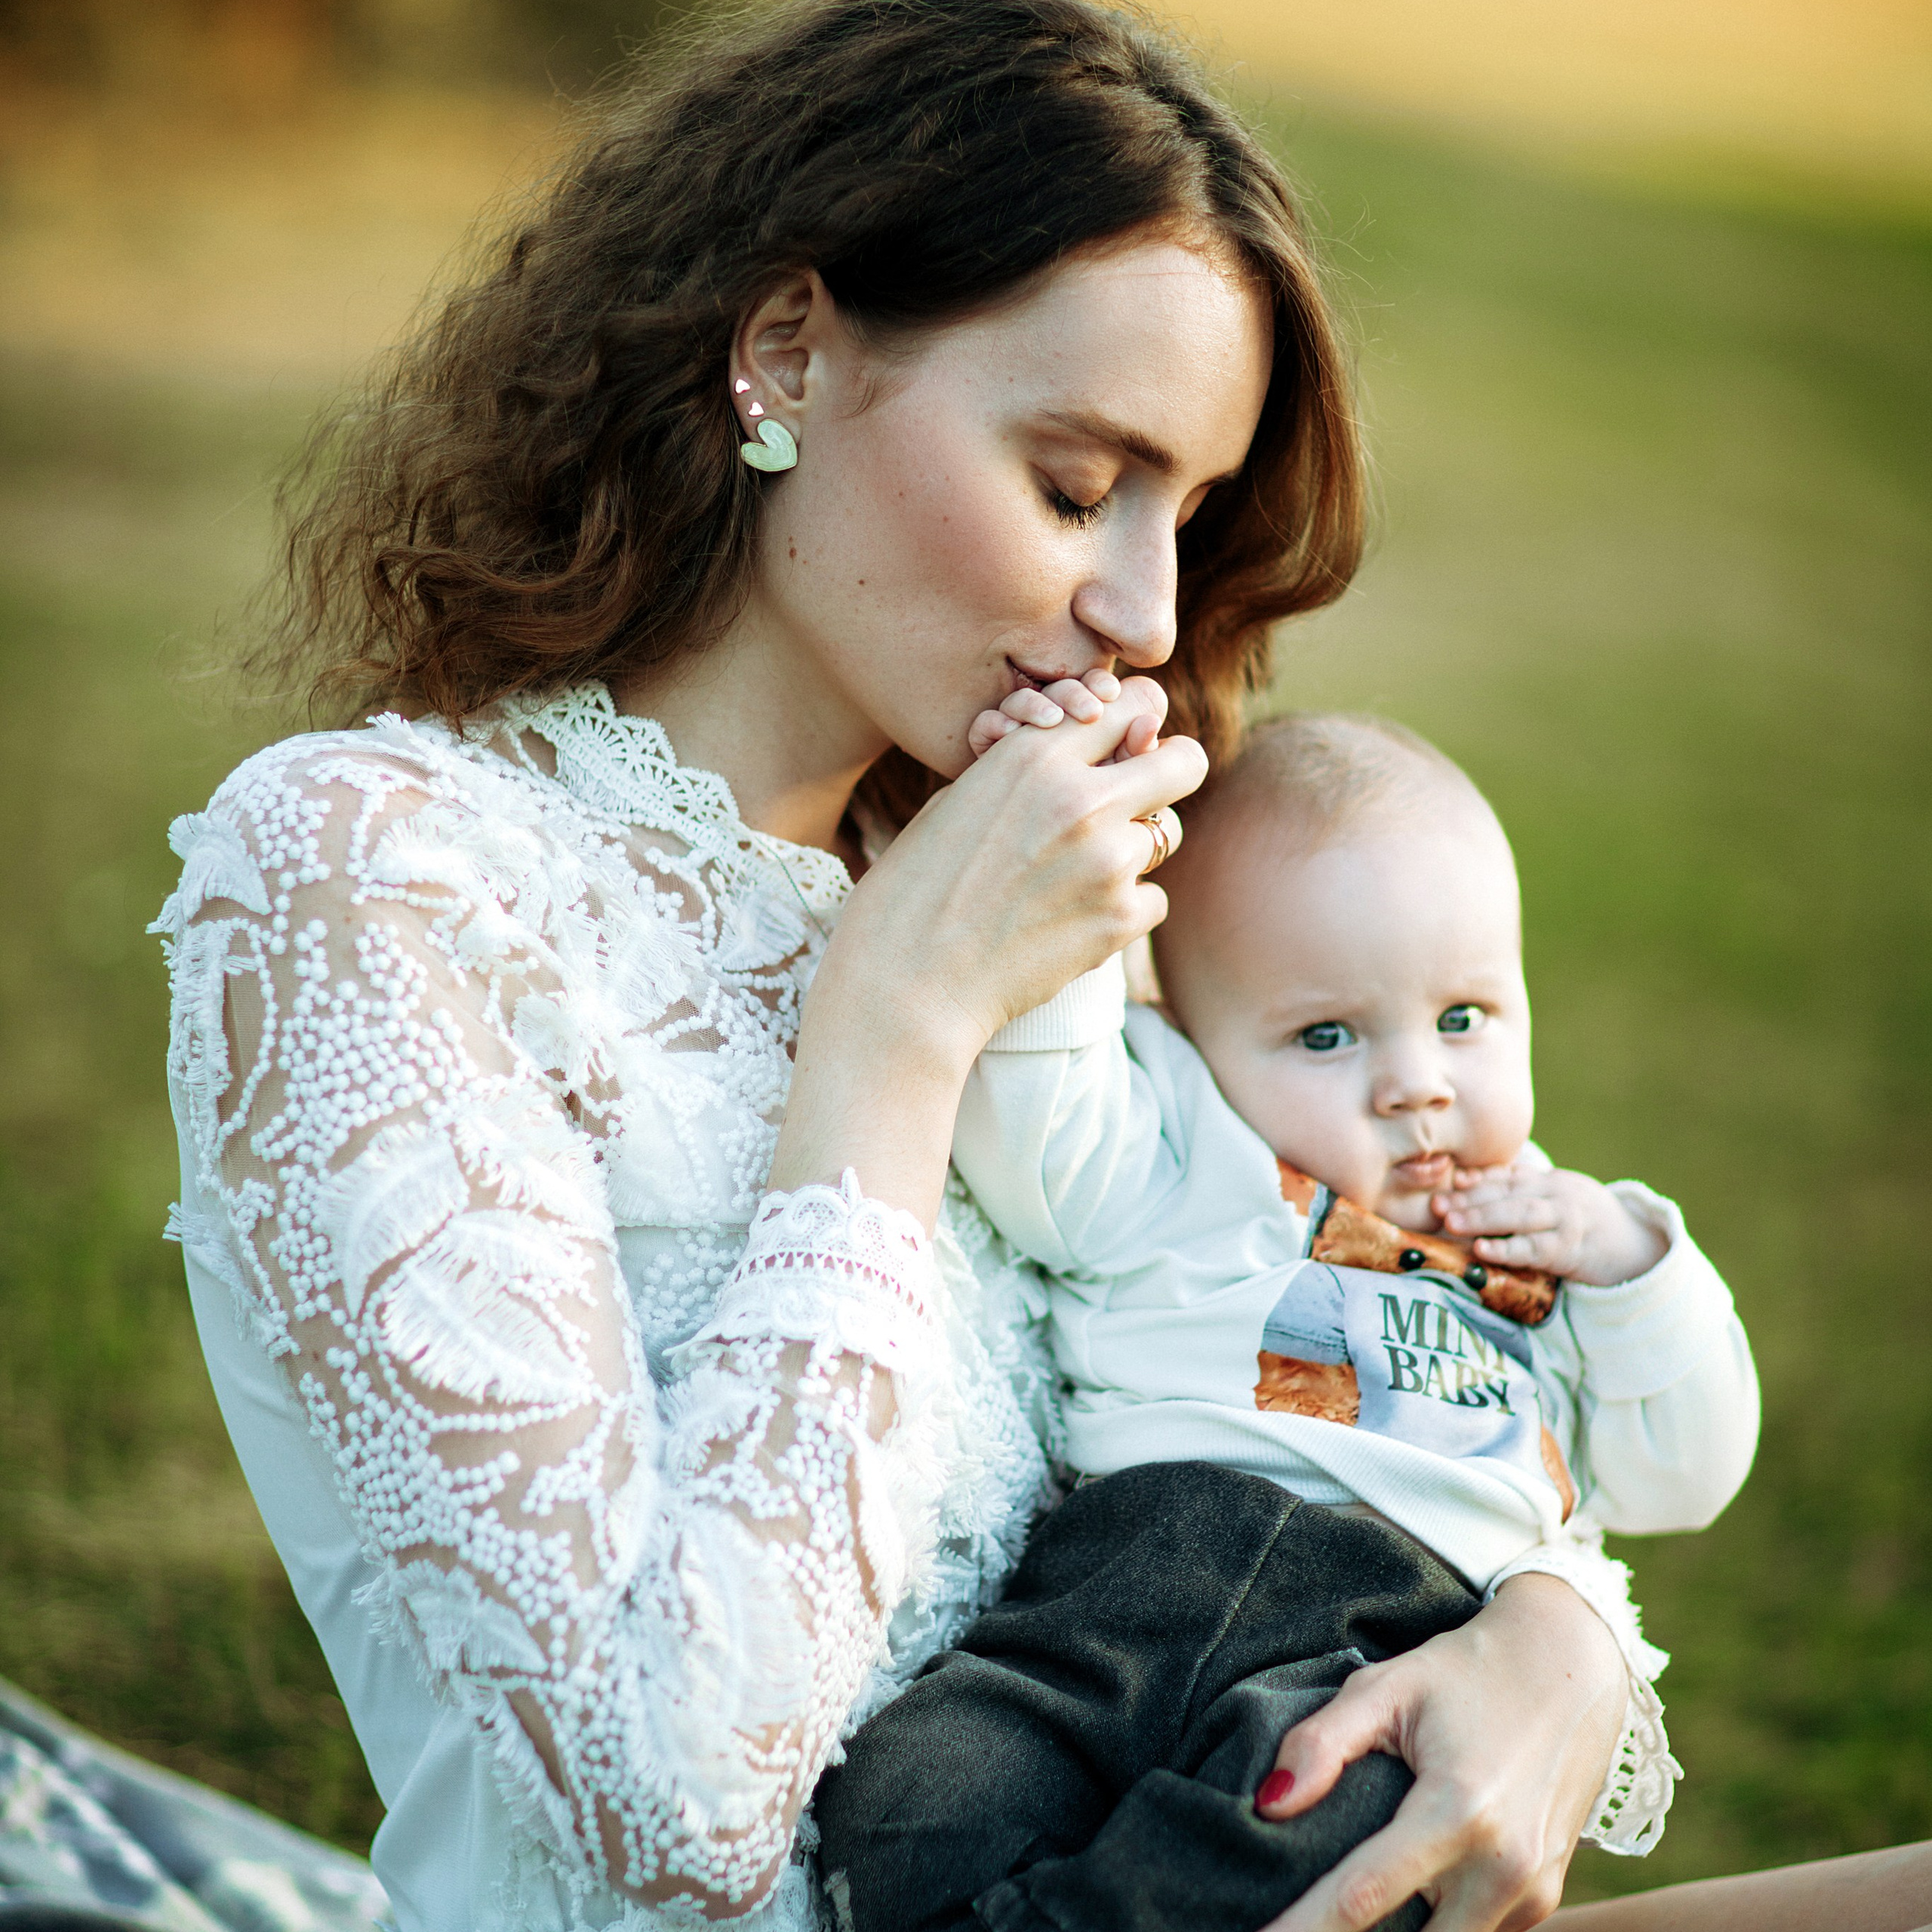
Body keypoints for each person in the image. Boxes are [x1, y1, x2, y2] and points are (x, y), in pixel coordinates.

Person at [149, 3, 1666, 1927]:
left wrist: (1550, 1638)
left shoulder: (1041, 909)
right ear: (785, 349)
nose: (1136, 612)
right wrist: (890, 1030)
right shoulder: (378, 877)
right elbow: (671, 1805)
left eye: (1182, 518)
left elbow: (1337, 1347)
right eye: (1069, 483)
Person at [814, 711, 1759, 1930]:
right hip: (1118, 1589)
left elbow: (1687, 1470)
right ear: (1187, 1038)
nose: (1417, 1081)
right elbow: (1040, 1133)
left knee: (1320, 1827)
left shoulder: (1547, 1249)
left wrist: (1637, 1268)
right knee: (911, 1800)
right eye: (1327, 1035)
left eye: (1464, 1018)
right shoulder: (1182, 1145)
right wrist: (1077, 925)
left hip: (1377, 1639)